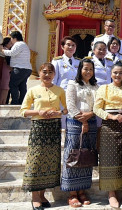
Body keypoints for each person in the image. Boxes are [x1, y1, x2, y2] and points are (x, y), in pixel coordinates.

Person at [20, 63, 67, 210]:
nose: (47, 75)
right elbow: (23, 111)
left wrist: (57, 112)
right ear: (39, 73)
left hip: (54, 128)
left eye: (50, 72)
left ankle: (42, 194)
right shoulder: (33, 90)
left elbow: (65, 110)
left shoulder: (59, 90)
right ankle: (35, 197)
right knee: (36, 161)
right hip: (39, 128)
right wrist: (38, 112)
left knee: (50, 162)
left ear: (54, 74)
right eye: (44, 72)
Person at [93, 61, 122, 208]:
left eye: (121, 73)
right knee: (110, 159)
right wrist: (111, 117)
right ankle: (111, 193)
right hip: (109, 128)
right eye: (115, 72)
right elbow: (97, 109)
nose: (118, 75)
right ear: (111, 74)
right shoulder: (103, 89)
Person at [61, 59, 98, 207]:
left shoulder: (96, 86)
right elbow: (70, 104)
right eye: (85, 69)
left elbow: (98, 105)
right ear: (80, 70)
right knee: (73, 155)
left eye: (90, 69)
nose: (88, 72)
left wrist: (89, 116)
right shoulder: (73, 84)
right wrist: (83, 121)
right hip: (75, 123)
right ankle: (72, 193)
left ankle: (82, 190)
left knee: (86, 155)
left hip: (92, 122)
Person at [0, 31, 32, 105]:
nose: (11, 40)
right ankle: (21, 102)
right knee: (22, 86)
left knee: (13, 85)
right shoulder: (24, 45)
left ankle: (14, 102)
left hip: (20, 68)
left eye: (11, 38)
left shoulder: (18, 44)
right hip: (26, 69)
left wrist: (2, 50)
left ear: (14, 38)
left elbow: (12, 53)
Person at [0, 37, 12, 104]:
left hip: (4, 72)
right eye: (10, 43)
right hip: (6, 72)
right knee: (5, 88)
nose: (11, 45)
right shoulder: (5, 50)